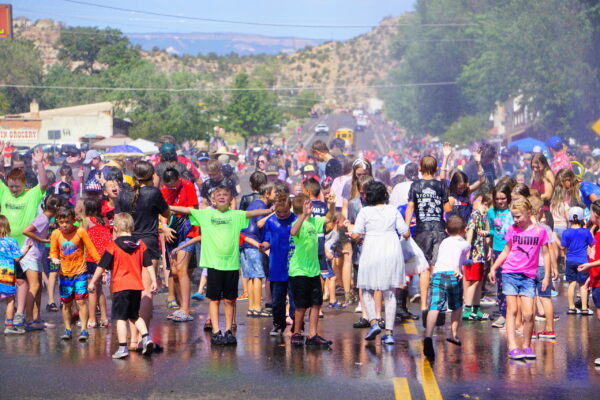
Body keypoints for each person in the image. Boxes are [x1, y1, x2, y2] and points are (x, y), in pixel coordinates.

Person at [169, 184, 273, 345]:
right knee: (215, 299)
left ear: (231, 198)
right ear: (213, 199)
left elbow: (252, 213)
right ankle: (217, 331)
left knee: (230, 300)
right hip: (214, 264)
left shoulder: (236, 215)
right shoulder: (206, 214)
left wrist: (268, 211)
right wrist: (167, 206)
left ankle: (229, 331)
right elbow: (187, 210)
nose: (222, 196)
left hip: (231, 264)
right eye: (219, 195)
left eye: (226, 194)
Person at [115, 160, 170, 349]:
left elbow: (117, 220)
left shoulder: (124, 193)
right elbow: (167, 213)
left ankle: (131, 340)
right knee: (147, 292)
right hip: (148, 243)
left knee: (130, 291)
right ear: (152, 174)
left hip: (126, 243)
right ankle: (141, 338)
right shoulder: (153, 193)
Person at [88, 213, 157, 359]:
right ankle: (146, 338)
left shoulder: (113, 246)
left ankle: (122, 348)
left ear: (116, 228)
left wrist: (93, 281)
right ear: (132, 227)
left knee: (120, 318)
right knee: (134, 315)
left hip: (120, 286)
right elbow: (148, 264)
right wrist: (154, 280)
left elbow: (101, 266)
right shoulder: (140, 244)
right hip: (136, 287)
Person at [488, 198, 550, 360]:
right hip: (510, 273)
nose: (515, 220)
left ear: (529, 213)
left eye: (518, 217)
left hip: (529, 276)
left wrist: (547, 276)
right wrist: (494, 267)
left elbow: (547, 254)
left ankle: (527, 346)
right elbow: (506, 250)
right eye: (513, 217)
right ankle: (512, 346)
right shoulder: (512, 230)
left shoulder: (539, 231)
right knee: (512, 310)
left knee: (529, 314)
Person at [350, 181, 409, 345]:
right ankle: (389, 333)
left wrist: (358, 237)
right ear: (385, 195)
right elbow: (405, 232)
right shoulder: (392, 210)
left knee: (366, 289)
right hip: (391, 250)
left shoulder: (365, 211)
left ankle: (374, 322)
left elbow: (355, 235)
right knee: (389, 293)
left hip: (371, 250)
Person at [405, 155, 452, 326]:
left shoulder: (415, 185)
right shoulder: (440, 185)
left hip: (422, 230)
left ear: (420, 168)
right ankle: (436, 306)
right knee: (435, 268)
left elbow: (410, 206)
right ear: (435, 169)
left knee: (424, 268)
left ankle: (424, 305)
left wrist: (405, 228)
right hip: (439, 229)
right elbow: (447, 208)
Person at [288, 193, 335, 347]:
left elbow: (329, 218)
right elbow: (293, 232)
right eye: (308, 204)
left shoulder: (315, 221)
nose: (311, 206)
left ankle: (312, 334)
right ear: (302, 207)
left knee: (316, 303)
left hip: (314, 270)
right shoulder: (298, 222)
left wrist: (332, 204)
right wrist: (303, 216)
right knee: (301, 305)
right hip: (299, 270)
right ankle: (296, 333)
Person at [422, 215, 471, 361]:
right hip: (453, 275)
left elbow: (451, 255)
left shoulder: (443, 241)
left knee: (434, 306)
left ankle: (428, 336)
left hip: (438, 274)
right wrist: (458, 266)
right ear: (464, 230)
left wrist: (464, 261)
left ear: (446, 230)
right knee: (456, 306)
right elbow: (457, 255)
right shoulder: (465, 243)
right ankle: (453, 334)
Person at [49, 207, 101, 342]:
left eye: (67, 221)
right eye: (61, 222)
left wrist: (101, 265)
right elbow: (53, 250)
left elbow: (91, 249)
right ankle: (68, 329)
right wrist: (54, 258)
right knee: (66, 303)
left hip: (80, 273)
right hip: (65, 274)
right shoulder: (55, 234)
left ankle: (84, 329)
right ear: (57, 222)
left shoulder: (80, 232)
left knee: (81, 301)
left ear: (73, 220)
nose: (64, 225)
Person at [161, 167, 199, 322]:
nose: (171, 189)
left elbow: (193, 210)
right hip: (171, 229)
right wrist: (164, 227)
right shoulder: (163, 189)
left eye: (173, 185)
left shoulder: (187, 185)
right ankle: (180, 307)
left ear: (179, 179)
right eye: (168, 186)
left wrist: (171, 208)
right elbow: (161, 212)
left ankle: (186, 309)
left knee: (182, 270)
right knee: (175, 271)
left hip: (188, 229)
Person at [20, 195, 62, 330]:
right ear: (57, 207)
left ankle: (36, 319)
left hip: (36, 256)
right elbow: (26, 231)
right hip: (30, 256)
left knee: (39, 289)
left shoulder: (45, 219)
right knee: (35, 287)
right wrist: (43, 240)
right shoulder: (43, 219)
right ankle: (28, 319)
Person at [260, 192, 297, 336]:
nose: (281, 215)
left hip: (294, 265)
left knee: (295, 299)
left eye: (285, 212)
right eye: (278, 212)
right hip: (276, 265)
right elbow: (267, 240)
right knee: (277, 300)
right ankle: (278, 324)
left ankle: (297, 324)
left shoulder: (295, 220)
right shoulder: (271, 222)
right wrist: (264, 246)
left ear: (290, 207)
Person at [240, 182, 275, 318]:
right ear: (267, 194)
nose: (276, 195)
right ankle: (257, 307)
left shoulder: (255, 204)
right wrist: (272, 213)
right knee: (258, 276)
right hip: (253, 243)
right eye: (274, 193)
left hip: (245, 243)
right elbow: (260, 223)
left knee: (251, 276)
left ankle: (252, 308)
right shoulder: (261, 205)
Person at [528, 195, 558, 339]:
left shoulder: (526, 228)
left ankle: (532, 330)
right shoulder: (545, 228)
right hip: (543, 267)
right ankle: (550, 329)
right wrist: (554, 267)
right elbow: (550, 250)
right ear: (540, 210)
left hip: (529, 267)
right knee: (546, 298)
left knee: (531, 298)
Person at [485, 183, 514, 328]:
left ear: (508, 198)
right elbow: (492, 232)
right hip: (497, 250)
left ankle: (512, 313)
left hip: (512, 250)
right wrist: (489, 247)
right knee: (500, 283)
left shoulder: (513, 211)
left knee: (511, 282)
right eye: (497, 199)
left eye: (503, 198)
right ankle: (503, 313)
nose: (500, 201)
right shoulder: (491, 212)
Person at [81, 197, 112, 329]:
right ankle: (104, 318)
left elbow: (81, 238)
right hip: (103, 258)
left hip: (91, 258)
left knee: (92, 289)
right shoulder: (104, 221)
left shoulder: (86, 220)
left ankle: (92, 318)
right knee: (99, 290)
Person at [463, 193, 493, 321]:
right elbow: (470, 231)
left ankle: (476, 309)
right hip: (474, 254)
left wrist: (488, 249)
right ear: (486, 205)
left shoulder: (482, 216)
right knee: (473, 282)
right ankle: (467, 310)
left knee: (479, 281)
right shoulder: (475, 215)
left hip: (480, 254)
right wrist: (468, 250)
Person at [576, 201, 600, 365]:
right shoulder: (597, 232)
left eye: (590, 213)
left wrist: (589, 265)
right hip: (596, 280)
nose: (588, 216)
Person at [560, 206, 595, 315]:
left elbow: (563, 247)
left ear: (570, 218)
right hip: (582, 261)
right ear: (582, 219)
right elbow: (592, 244)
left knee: (571, 284)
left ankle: (571, 307)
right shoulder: (586, 232)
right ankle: (584, 308)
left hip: (570, 260)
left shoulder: (566, 232)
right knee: (583, 285)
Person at [0, 215, 30, 335]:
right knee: (10, 300)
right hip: (6, 274)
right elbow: (17, 258)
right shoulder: (11, 241)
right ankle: (9, 326)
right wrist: (27, 249)